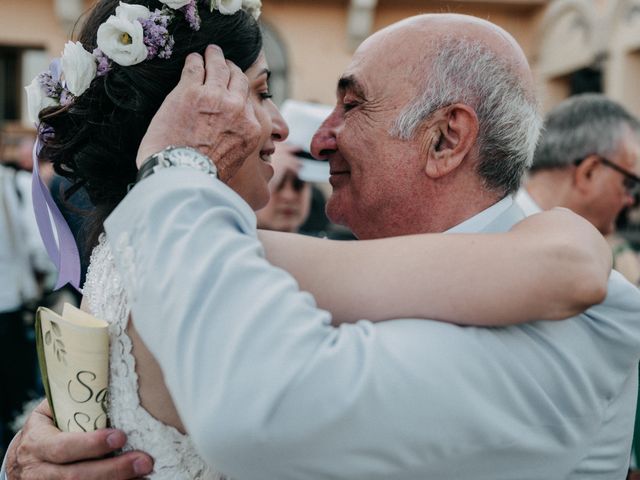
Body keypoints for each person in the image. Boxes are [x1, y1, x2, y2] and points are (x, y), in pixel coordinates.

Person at [0, 8, 628, 480]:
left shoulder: (578, 319)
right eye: (262, 93)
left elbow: (270, 410)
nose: (310, 137)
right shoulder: (179, 250)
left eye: (350, 106)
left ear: (445, 139)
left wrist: (174, 177)